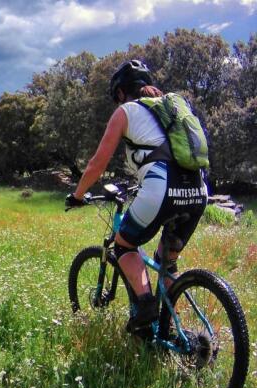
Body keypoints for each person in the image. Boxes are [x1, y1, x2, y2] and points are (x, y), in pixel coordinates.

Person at [65, 60, 208, 333]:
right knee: (168, 258)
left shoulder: (126, 111)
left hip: (161, 187)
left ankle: (145, 307)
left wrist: (77, 195)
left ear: (120, 92)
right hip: (197, 189)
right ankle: (169, 328)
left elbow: (97, 163)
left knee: (124, 247)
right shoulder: (172, 107)